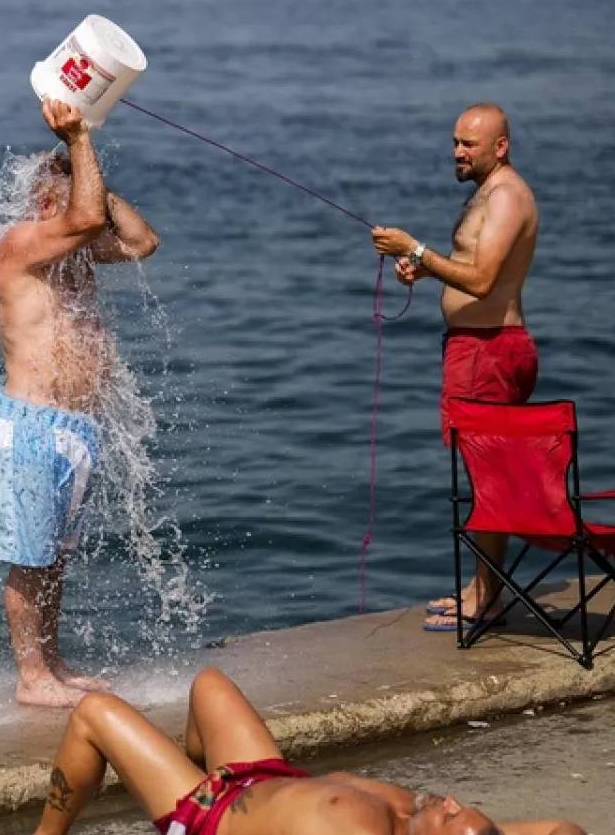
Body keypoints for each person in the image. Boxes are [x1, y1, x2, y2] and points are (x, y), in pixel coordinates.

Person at [0, 97, 160, 707]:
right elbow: (84, 219)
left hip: (72, 429)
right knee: (28, 560)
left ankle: (52, 665)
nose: (87, 214)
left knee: (53, 560)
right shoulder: (18, 244)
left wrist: (91, 176)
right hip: (27, 425)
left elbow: (141, 241)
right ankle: (30, 677)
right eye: (68, 199)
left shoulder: (78, 247)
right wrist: (81, 140)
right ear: (42, 204)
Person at [34, 666, 585, 835]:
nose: (452, 801)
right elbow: (561, 831)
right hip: (266, 777)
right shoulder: (416, 815)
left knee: (94, 712)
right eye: (461, 808)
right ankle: (170, 771)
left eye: (453, 815)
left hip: (211, 814)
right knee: (209, 685)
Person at [369, 104, 539, 632]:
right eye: (455, 142)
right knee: (481, 474)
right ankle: (481, 586)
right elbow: (469, 269)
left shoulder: (508, 195)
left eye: (468, 144)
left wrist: (415, 248)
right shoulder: (488, 192)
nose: (457, 152)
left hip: (490, 350)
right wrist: (424, 268)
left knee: (488, 477)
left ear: (501, 146)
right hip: (473, 348)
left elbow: (485, 280)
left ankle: (486, 596)